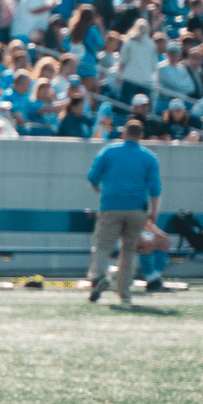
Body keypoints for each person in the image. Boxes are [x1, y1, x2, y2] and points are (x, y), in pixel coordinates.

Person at [84, 118, 162, 306]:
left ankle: (100, 276)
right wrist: (154, 211)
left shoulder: (109, 151)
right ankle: (124, 293)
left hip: (111, 206)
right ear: (141, 135)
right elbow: (155, 188)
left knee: (103, 245)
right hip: (137, 209)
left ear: (124, 132)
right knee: (128, 251)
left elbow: (93, 176)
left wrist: (95, 185)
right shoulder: (149, 157)